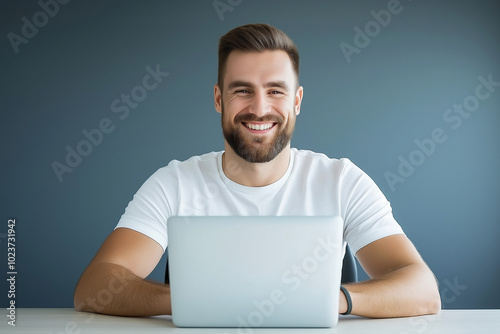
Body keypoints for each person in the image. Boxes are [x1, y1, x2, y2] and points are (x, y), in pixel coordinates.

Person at [74, 23, 441, 318]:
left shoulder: (341, 180)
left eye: (276, 91)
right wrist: (199, 301)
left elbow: (422, 290)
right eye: (243, 91)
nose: (260, 108)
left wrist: (335, 300)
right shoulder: (175, 183)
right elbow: (94, 287)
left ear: (297, 101)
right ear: (219, 99)